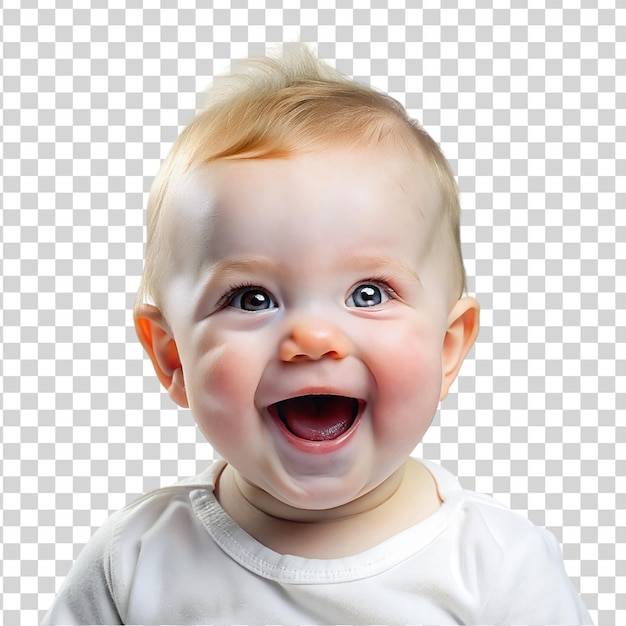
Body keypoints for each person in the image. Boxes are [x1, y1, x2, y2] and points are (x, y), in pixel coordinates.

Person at [42, 45, 592, 625]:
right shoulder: (133, 563)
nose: (313, 338)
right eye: (252, 299)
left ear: (447, 346)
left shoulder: (499, 570)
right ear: (173, 356)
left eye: (369, 294)